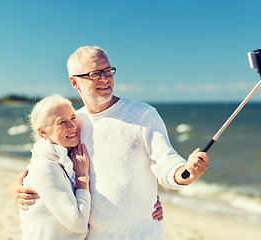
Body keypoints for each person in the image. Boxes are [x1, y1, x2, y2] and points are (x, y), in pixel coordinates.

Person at [12, 46, 209, 239]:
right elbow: (46, 158)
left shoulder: (143, 115)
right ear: (74, 82)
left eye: (108, 71)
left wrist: (185, 173)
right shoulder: (75, 122)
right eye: (96, 73)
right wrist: (17, 184)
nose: (105, 79)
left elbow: (166, 161)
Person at [20, 94, 91, 240]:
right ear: (43, 132)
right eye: (62, 122)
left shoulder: (65, 160)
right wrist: (82, 178)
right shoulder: (44, 167)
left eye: (73, 118)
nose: (72, 126)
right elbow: (78, 224)